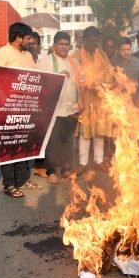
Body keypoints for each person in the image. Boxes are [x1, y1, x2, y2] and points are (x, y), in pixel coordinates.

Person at [0, 22, 39, 197]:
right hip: (7, 109)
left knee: (22, 146)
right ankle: (9, 185)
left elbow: (35, 79)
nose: (30, 42)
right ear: (18, 38)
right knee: (9, 148)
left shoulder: (27, 55)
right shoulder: (1, 54)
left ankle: (22, 180)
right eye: (27, 38)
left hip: (25, 109)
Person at [36, 31, 80, 184]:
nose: (64, 47)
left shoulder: (74, 63)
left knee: (67, 140)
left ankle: (66, 168)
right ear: (54, 45)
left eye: (66, 44)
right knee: (52, 141)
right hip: (52, 109)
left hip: (71, 108)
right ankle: (52, 171)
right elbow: (39, 83)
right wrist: (57, 77)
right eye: (60, 44)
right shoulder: (45, 61)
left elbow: (80, 83)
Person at [73, 26, 114, 174]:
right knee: (85, 132)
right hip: (85, 100)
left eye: (97, 42)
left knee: (99, 131)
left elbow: (110, 72)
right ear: (84, 40)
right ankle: (83, 163)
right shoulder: (77, 56)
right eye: (92, 42)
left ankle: (98, 160)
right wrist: (88, 84)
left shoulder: (102, 54)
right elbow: (75, 78)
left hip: (101, 100)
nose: (95, 45)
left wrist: (106, 84)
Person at [111, 37, 139, 110]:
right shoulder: (112, 63)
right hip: (117, 105)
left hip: (135, 104)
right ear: (118, 50)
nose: (126, 52)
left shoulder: (138, 63)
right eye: (123, 50)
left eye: (128, 49)